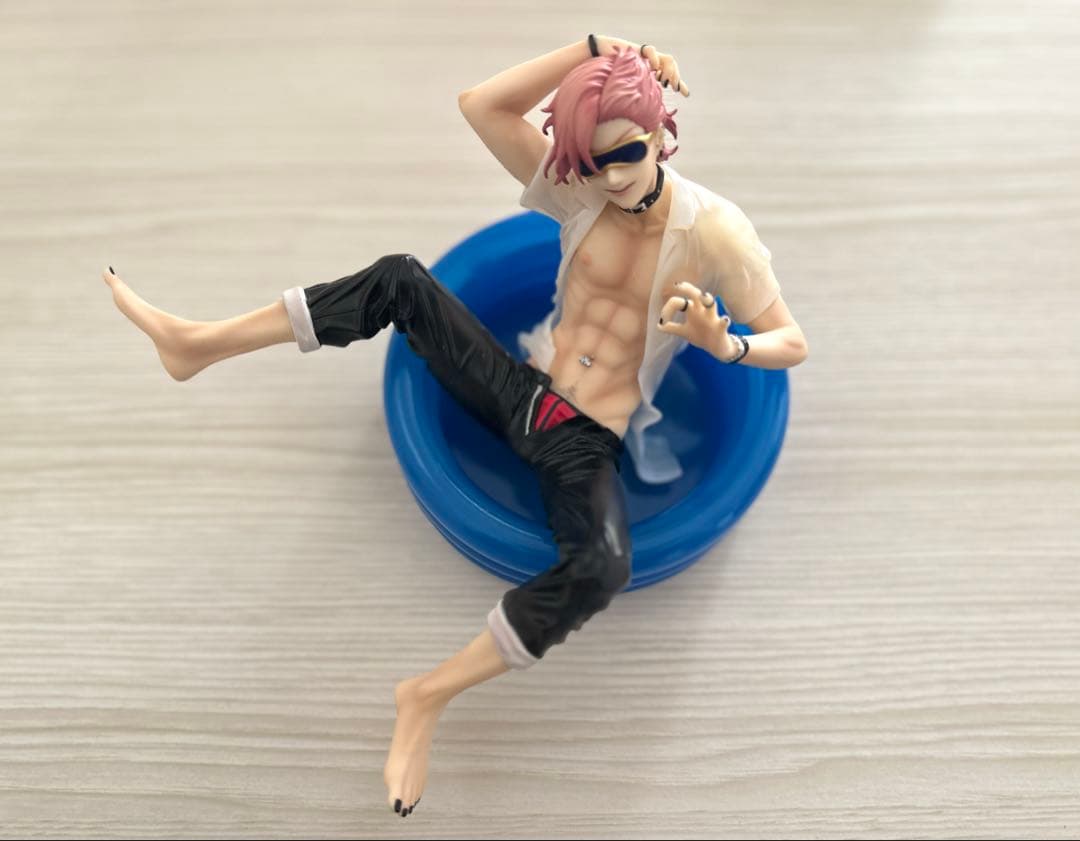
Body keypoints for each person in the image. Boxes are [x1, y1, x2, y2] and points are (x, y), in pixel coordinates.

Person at [100, 34, 808, 818]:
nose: (610, 177)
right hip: (523, 386)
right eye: (592, 160)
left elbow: (792, 341)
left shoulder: (716, 232)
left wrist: (726, 344)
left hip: (584, 439)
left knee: (603, 565)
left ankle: (427, 695)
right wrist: (595, 46)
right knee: (401, 278)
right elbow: (482, 107)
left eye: (627, 155)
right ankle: (199, 342)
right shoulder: (581, 191)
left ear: (661, 131)